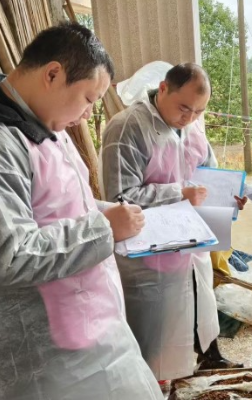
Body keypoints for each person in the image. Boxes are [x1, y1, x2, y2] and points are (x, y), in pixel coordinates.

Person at [0, 23, 162, 400]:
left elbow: (62, 206)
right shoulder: (5, 142)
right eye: (89, 98)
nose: (88, 114)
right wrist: (104, 229)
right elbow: (10, 252)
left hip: (89, 326)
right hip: (50, 355)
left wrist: (111, 212)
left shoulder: (43, 125)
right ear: (53, 74)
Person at [100, 63, 242, 384]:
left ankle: (209, 356)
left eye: (199, 111)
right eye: (184, 108)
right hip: (150, 252)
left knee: (199, 302)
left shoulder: (191, 125)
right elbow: (120, 195)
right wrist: (178, 192)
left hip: (192, 239)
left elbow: (208, 169)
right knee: (155, 329)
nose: (190, 118)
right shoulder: (126, 127)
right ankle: (154, 383)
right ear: (163, 88)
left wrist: (231, 193)